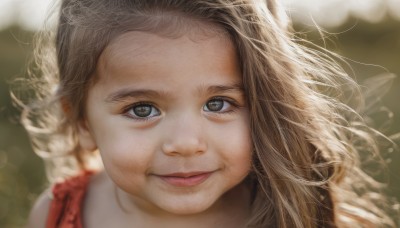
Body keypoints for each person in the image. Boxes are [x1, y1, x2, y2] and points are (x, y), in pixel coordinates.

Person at [22, 0, 398, 227]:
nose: (186, 143)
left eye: (218, 104)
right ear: (81, 122)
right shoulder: (57, 214)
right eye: (142, 109)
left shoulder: (290, 216)